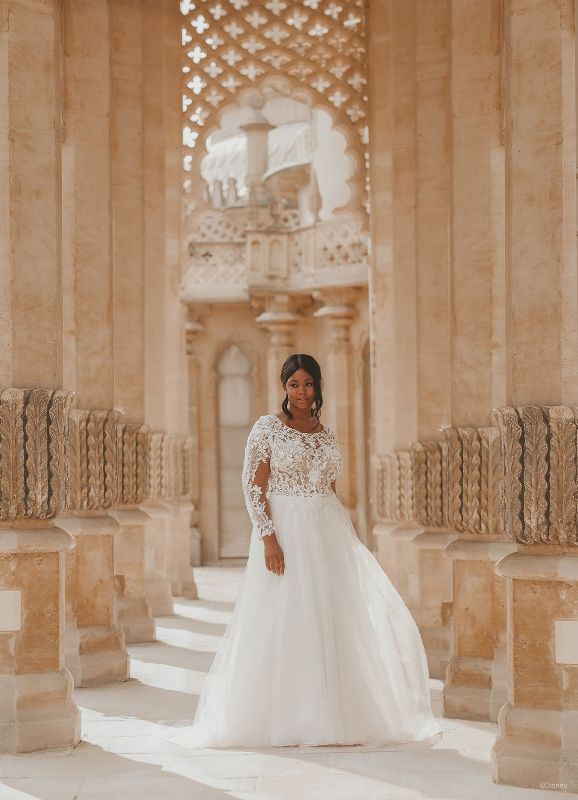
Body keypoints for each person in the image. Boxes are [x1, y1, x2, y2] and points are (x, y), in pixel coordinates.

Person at [178, 353, 442, 748]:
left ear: (318, 386)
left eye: (309, 384)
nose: (302, 392)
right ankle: (286, 715)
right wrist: (268, 537)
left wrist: (346, 540)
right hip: (286, 528)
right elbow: (253, 486)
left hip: (325, 531)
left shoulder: (327, 433)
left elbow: (331, 490)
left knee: (331, 615)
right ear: (283, 388)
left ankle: (333, 713)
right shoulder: (268, 428)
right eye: (294, 384)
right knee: (286, 614)